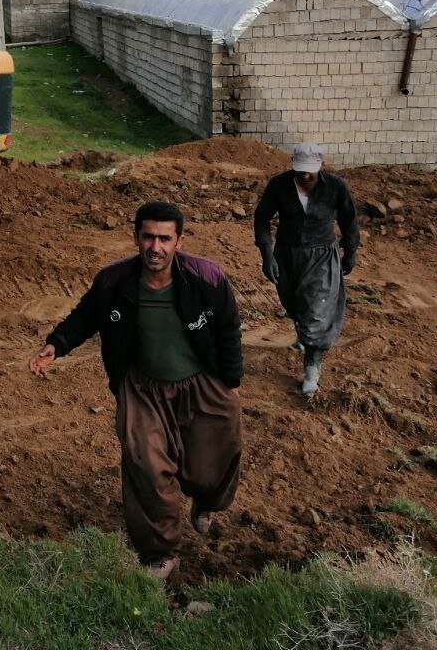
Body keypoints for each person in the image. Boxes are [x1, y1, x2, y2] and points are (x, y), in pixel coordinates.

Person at [27, 201, 243, 582]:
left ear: (179, 241)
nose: (155, 247)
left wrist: (231, 381)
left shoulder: (206, 277)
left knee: (217, 455)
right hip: (142, 387)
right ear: (136, 238)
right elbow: (85, 316)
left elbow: (227, 328)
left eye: (164, 238)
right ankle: (161, 552)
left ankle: (205, 502)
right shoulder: (114, 281)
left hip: (200, 382)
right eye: (148, 237)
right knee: (146, 466)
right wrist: (56, 345)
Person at [253, 143, 359, 398]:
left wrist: (351, 252)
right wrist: (267, 255)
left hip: (321, 254)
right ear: (293, 164)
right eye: (300, 171)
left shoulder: (335, 187)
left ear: (321, 166)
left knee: (317, 310)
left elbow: (349, 220)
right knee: (294, 302)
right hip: (287, 253)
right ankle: (304, 332)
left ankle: (312, 367)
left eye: (310, 171)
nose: (305, 176)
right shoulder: (279, 185)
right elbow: (262, 218)